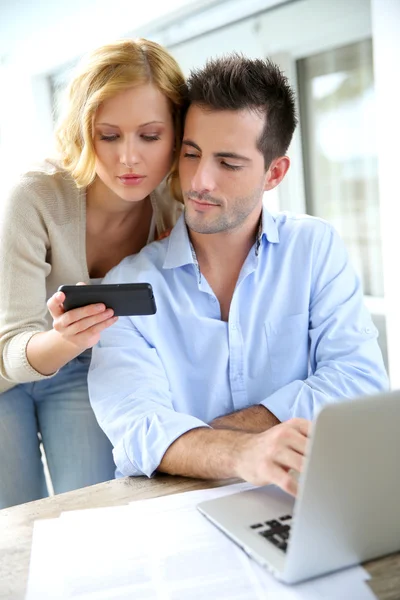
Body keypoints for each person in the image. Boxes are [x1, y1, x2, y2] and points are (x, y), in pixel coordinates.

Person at [88, 54, 388, 497]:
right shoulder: (127, 286)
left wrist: (210, 438)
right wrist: (241, 453)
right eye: (191, 154)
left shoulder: (314, 248)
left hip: (299, 496)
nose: (200, 181)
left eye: (228, 163)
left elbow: (358, 380)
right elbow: (136, 426)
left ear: (275, 173)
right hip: (177, 504)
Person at [0, 38, 187, 508]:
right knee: (15, 522)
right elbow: (8, 349)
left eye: (150, 135)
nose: (129, 158)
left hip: (85, 366)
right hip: (3, 371)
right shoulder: (36, 197)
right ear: (84, 133)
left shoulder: (175, 210)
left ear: (177, 132)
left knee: (91, 512)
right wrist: (66, 339)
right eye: (109, 135)